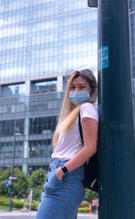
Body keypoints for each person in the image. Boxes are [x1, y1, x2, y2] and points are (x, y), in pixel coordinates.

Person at [35, 69, 99, 219]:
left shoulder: (87, 108)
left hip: (67, 176)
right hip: (61, 175)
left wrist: (61, 171)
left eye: (81, 87)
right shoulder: (73, 113)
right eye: (73, 87)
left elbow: (90, 147)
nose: (76, 91)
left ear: (91, 89)